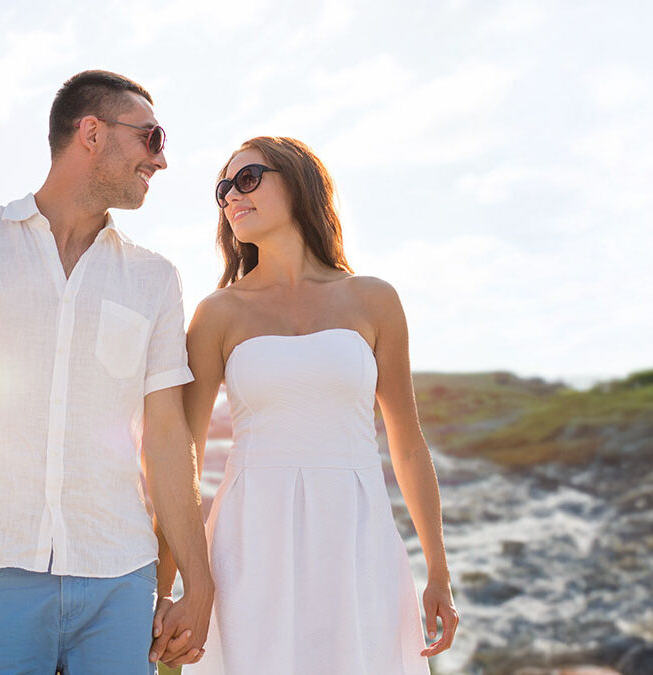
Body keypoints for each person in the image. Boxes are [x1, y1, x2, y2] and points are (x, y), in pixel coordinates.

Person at [0, 70, 213, 674]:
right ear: (91, 132)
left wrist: (199, 582)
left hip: (120, 577)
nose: (161, 160)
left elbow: (167, 439)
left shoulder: (155, 278)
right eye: (151, 137)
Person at [154, 136, 458, 673]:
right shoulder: (218, 313)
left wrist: (438, 570)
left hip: (357, 536)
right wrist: (163, 589)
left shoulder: (374, 300)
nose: (230, 197)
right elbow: (184, 455)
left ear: (298, 183)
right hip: (249, 543)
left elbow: (407, 445)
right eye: (223, 188)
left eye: (247, 179)